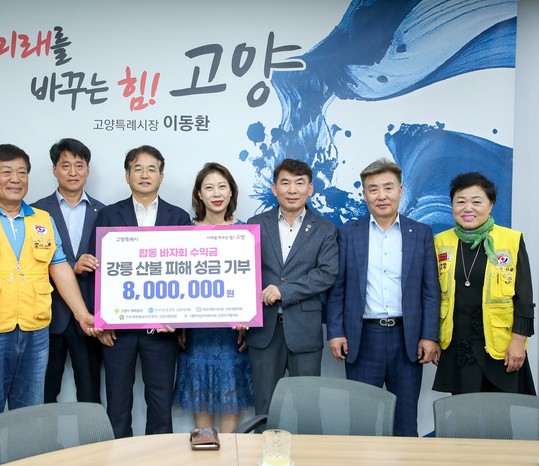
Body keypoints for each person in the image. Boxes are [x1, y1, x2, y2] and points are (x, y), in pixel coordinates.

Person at [0, 143, 96, 425]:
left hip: (35, 331)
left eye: (22, 172)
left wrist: (82, 313)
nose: (16, 179)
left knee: (30, 416)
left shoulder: (43, 220)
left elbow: (59, 268)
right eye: (7, 172)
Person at [326, 158, 440, 437]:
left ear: (401, 190)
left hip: (407, 339)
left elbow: (430, 290)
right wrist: (336, 332)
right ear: (364, 194)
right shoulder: (348, 233)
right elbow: (337, 288)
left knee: (406, 420)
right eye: (373, 189)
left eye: (388, 188)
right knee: (362, 421)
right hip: (363, 338)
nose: (381, 196)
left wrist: (429, 336)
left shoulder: (421, 233)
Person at [94, 144, 191, 438]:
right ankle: (118, 456)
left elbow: (187, 273)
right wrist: (100, 320)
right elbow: (97, 270)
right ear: (127, 175)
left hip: (162, 329)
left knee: (160, 405)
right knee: (117, 404)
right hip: (117, 329)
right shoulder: (108, 215)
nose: (145, 175)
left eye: (151, 169)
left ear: (161, 175)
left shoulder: (178, 217)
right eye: (138, 169)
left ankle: (158, 457)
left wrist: (181, 321)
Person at [246, 158, 338, 421]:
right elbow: (244, 271)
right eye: (285, 183)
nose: (292, 190)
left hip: (304, 330)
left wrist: (283, 291)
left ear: (310, 188)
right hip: (264, 330)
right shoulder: (255, 223)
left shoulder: (325, 229)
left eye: (300, 183)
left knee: (308, 409)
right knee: (264, 408)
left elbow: (326, 274)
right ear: (274, 188)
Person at [433, 172, 535, 395]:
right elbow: (432, 296)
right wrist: (433, 338)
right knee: (461, 409)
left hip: (500, 346)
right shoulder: (440, 242)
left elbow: (524, 297)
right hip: (458, 345)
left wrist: (519, 341)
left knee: (498, 411)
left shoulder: (511, 240)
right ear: (452, 205)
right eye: (460, 201)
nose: (468, 208)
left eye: (476, 202)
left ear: (491, 204)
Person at [173, 162, 254, 433]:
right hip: (196, 332)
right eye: (209, 187)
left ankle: (230, 454)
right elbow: (178, 281)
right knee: (201, 395)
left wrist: (248, 322)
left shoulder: (246, 232)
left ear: (231, 192)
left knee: (231, 397)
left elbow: (253, 280)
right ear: (199, 194)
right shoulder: (184, 232)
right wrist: (180, 324)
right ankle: (205, 450)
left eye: (222, 186)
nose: (216, 193)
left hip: (233, 332)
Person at [32, 138, 104, 403]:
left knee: (90, 392)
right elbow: (29, 264)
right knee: (44, 392)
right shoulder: (35, 212)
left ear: (87, 170)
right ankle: (45, 434)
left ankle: (92, 434)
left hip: (89, 316)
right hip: (48, 315)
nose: (73, 172)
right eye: (65, 165)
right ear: (54, 169)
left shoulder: (104, 212)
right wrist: (72, 267)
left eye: (79, 165)